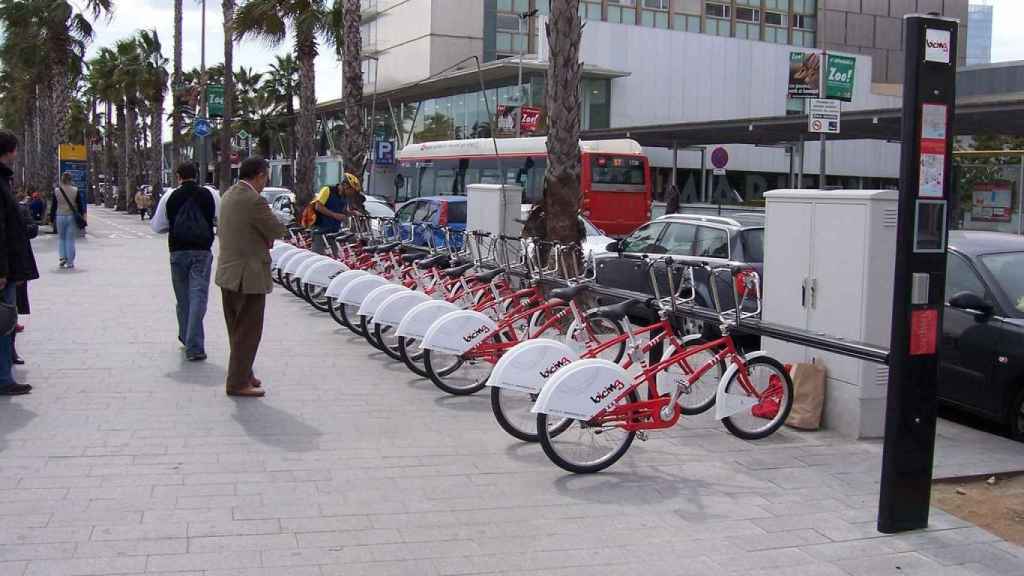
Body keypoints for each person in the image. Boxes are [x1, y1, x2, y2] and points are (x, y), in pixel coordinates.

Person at [215, 157, 285, 397]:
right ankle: (237, 383)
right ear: (259, 175)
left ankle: (244, 372)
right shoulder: (254, 201)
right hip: (249, 275)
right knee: (248, 330)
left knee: (236, 328)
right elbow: (277, 229)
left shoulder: (229, 195)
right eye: (265, 177)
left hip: (228, 273)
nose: (265, 182)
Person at [151, 163, 219, 361]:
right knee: (198, 296)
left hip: (178, 251)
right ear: (197, 175)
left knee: (183, 299)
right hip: (201, 251)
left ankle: (186, 337)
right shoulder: (210, 195)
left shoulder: (170, 196)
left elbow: (157, 226)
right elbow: (219, 219)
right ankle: (194, 345)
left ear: (178, 176)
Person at [0, 129, 38, 395]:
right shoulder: (0, 181)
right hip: (4, 268)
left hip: (9, 264)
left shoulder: (4, 180)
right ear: (11, 151)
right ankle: (3, 378)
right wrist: (2, 269)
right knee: (4, 321)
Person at [310, 174, 356, 253]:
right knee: (317, 258)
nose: (351, 193)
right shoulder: (327, 190)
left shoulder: (343, 197)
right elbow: (318, 206)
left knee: (335, 258)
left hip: (334, 232)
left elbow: (342, 211)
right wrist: (335, 215)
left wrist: (352, 213)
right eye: (351, 190)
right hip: (320, 231)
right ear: (345, 185)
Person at [54, 172, 84, 269]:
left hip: (59, 215)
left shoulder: (57, 191)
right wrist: (82, 216)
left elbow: (54, 205)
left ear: (62, 179)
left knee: (61, 238)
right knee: (70, 239)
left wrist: (51, 218)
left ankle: (62, 257)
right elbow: (80, 205)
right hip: (71, 216)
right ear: (71, 180)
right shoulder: (75, 190)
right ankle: (70, 261)